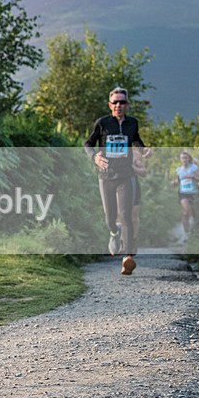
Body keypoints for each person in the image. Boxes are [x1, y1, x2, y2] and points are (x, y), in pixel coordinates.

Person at [84, 87, 149, 275]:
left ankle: (127, 257)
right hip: (106, 176)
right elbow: (88, 143)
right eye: (115, 102)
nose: (119, 105)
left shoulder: (132, 123)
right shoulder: (102, 123)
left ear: (127, 105)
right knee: (110, 217)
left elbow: (135, 139)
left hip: (126, 175)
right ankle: (113, 232)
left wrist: (143, 149)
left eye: (122, 102)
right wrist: (95, 157)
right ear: (110, 105)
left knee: (126, 214)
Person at [172, 150, 199, 240]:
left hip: (193, 193)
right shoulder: (179, 170)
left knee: (194, 213)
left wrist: (192, 177)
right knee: (185, 212)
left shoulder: (194, 168)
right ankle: (186, 234)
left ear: (189, 158)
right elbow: (179, 181)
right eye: (182, 158)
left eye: (186, 158)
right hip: (183, 193)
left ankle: (194, 228)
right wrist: (174, 183)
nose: (184, 160)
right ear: (180, 159)